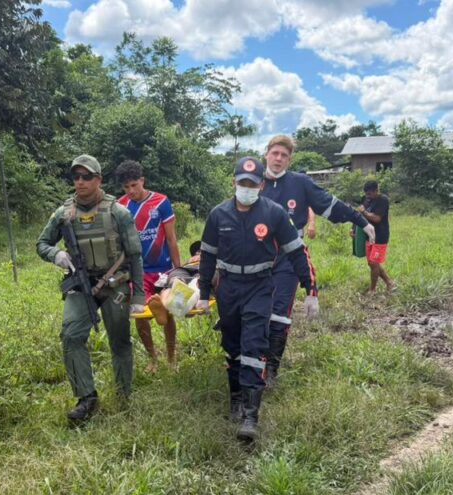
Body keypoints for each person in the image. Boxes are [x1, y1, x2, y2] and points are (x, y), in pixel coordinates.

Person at [197, 156, 316, 442]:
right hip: (228, 287)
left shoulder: (274, 213)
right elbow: (208, 255)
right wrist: (203, 293)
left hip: (260, 286)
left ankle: (251, 415)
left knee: (254, 345)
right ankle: (235, 398)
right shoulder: (218, 214)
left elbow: (297, 251)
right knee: (232, 346)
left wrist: (310, 289)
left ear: (261, 184)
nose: (246, 188)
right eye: (242, 183)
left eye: (252, 183)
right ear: (234, 183)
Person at [36, 154, 146, 423]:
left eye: (87, 177)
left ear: (99, 179)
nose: (81, 182)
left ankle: (124, 394)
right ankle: (87, 398)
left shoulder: (118, 213)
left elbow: (134, 255)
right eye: (76, 177)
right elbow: (41, 244)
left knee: (119, 341)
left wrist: (139, 295)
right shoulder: (63, 214)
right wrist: (56, 255)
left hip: (115, 285)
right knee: (72, 336)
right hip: (80, 284)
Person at [260, 135, 376, 386]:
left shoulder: (300, 183)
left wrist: (361, 221)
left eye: (284, 155)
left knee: (280, 312)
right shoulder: (253, 180)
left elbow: (330, 205)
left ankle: (271, 368)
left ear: (289, 160)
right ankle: (251, 361)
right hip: (256, 255)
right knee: (256, 311)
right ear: (266, 154)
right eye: (275, 153)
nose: (278, 158)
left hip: (289, 256)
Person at [114, 160, 181, 371]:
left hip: (163, 269)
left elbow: (171, 239)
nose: (131, 190)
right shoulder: (120, 206)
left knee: (166, 312)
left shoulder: (161, 202)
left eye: (134, 184)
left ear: (142, 180)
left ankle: (171, 358)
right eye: (126, 187)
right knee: (140, 314)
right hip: (137, 272)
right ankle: (153, 359)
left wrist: (179, 272)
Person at [145, 241, 203, 326]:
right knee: (174, 282)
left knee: (197, 283)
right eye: (197, 252)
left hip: (206, 270)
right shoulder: (192, 260)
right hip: (186, 268)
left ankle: (184, 305)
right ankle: (163, 307)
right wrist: (190, 261)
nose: (199, 253)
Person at [356, 181, 394, 292]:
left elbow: (377, 218)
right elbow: (359, 215)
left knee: (373, 263)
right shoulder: (366, 199)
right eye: (366, 194)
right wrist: (353, 229)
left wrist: (365, 213)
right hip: (369, 235)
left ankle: (372, 290)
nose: (368, 196)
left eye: (370, 194)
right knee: (372, 263)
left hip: (380, 236)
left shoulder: (383, 200)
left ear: (377, 190)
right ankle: (389, 282)